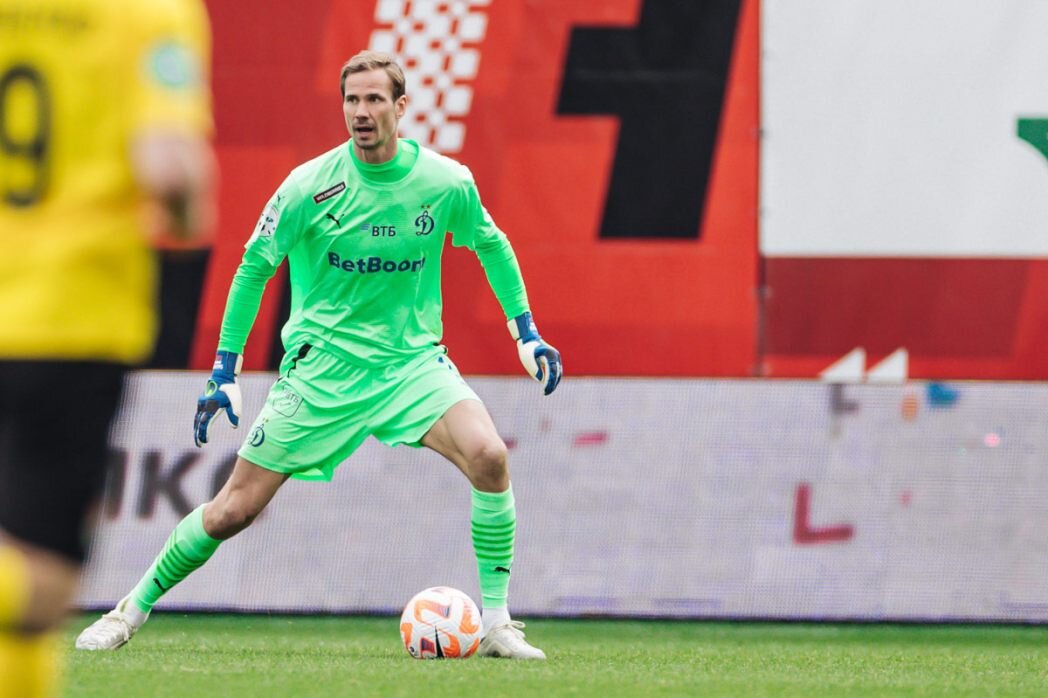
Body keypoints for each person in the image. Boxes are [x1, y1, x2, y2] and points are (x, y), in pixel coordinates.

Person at [76, 49, 562, 659]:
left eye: (374, 99)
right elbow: (254, 267)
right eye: (352, 100)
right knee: (232, 511)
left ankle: (496, 622)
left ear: (401, 106)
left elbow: (491, 244)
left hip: (410, 367)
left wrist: (525, 332)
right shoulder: (308, 186)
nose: (361, 112)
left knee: (489, 456)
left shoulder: (445, 183)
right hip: (321, 373)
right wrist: (225, 369)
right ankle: (127, 611)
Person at [0, 0, 216, 694]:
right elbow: (170, 168)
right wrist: (188, 212)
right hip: (69, 319)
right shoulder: (147, 14)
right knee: (41, 582)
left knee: (23, 608)